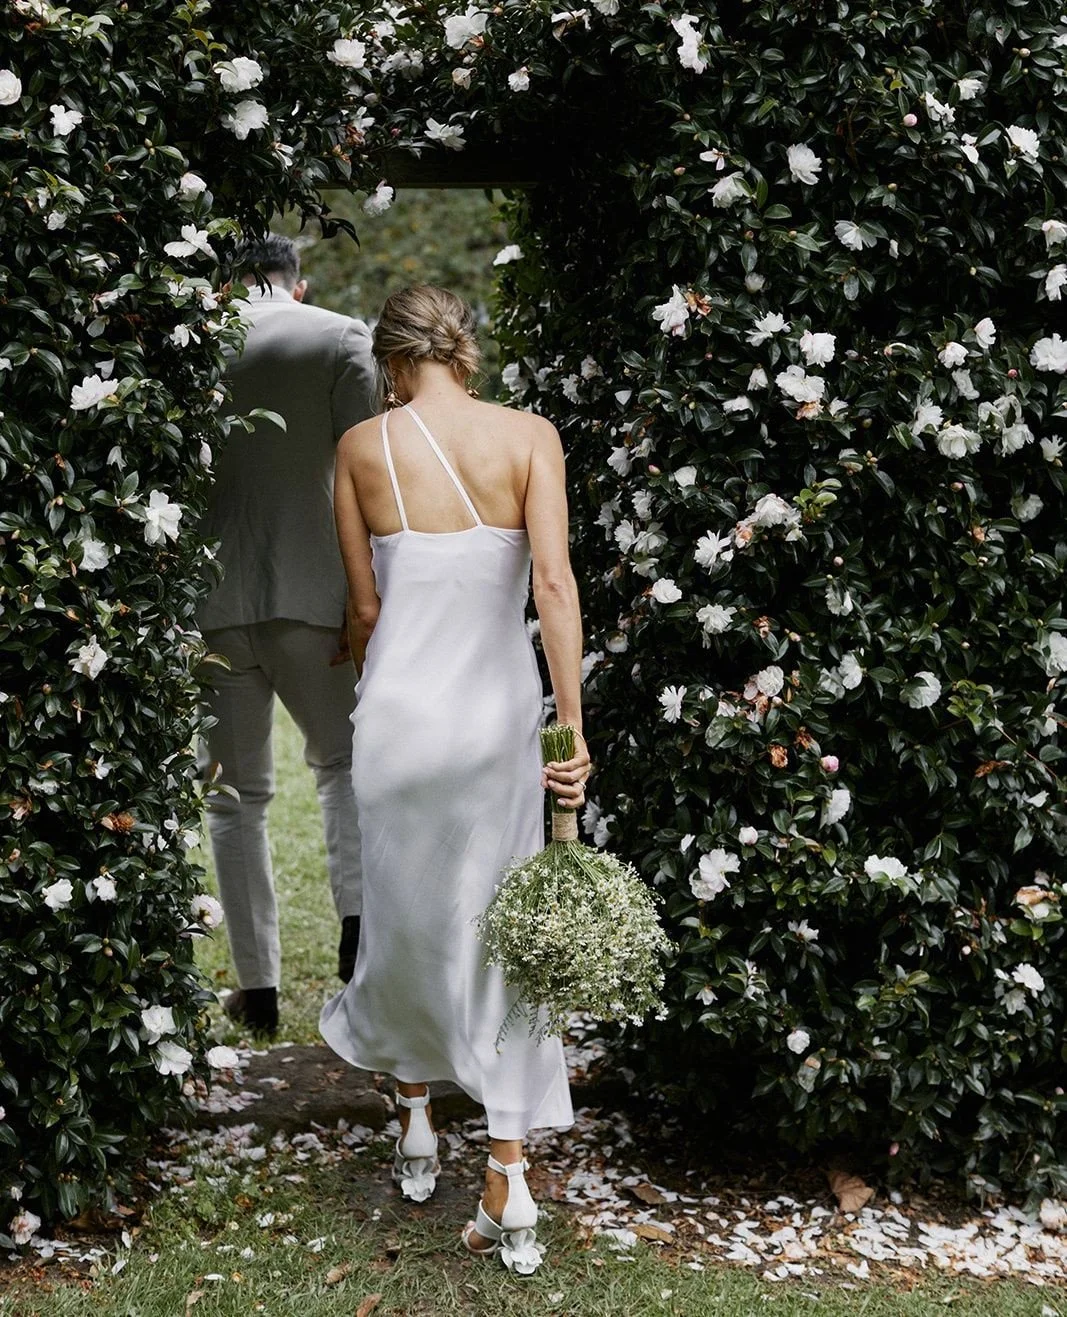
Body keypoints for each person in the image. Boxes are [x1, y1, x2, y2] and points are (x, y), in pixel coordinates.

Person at [319, 285, 591, 1274]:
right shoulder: (529, 438)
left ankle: (418, 1121)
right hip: (495, 732)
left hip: (397, 727)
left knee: (406, 920)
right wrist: (569, 722)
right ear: (464, 353)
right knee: (506, 940)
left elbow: (364, 612)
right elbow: (552, 584)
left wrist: (366, 681)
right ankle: (509, 1173)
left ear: (392, 363)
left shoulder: (358, 450)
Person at [197, 234, 376, 1036]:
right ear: (296, 285)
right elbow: (365, 465)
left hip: (213, 602)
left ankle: (258, 989)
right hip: (315, 594)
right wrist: (364, 596)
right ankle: (356, 934)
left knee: (237, 800)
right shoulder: (339, 337)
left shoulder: (194, 343)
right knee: (341, 764)